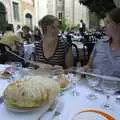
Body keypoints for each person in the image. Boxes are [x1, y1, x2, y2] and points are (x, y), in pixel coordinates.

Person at [82, 8, 120, 78]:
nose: (104, 26)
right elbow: (89, 65)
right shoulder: (100, 43)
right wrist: (86, 68)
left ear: (118, 25)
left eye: (108, 22)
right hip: (95, 86)